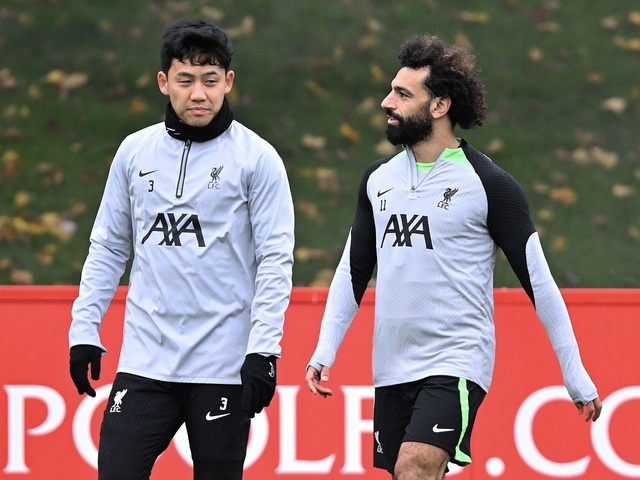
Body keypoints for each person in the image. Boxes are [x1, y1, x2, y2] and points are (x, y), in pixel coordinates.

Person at [305, 35, 602, 480]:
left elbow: (540, 283)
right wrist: (324, 349)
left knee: (415, 464)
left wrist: (574, 372)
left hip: (456, 361)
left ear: (440, 106)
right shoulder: (376, 180)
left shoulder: (490, 185)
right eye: (391, 91)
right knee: (412, 473)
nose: (387, 102)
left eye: (403, 94)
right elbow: (352, 271)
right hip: (390, 367)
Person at [68, 19, 295, 480]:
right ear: (163, 82)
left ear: (228, 81)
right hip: (144, 362)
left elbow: (275, 260)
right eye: (185, 80)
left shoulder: (258, 158)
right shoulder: (133, 152)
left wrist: (263, 351)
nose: (198, 94)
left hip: (222, 367)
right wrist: (83, 330)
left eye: (210, 81)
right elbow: (108, 246)